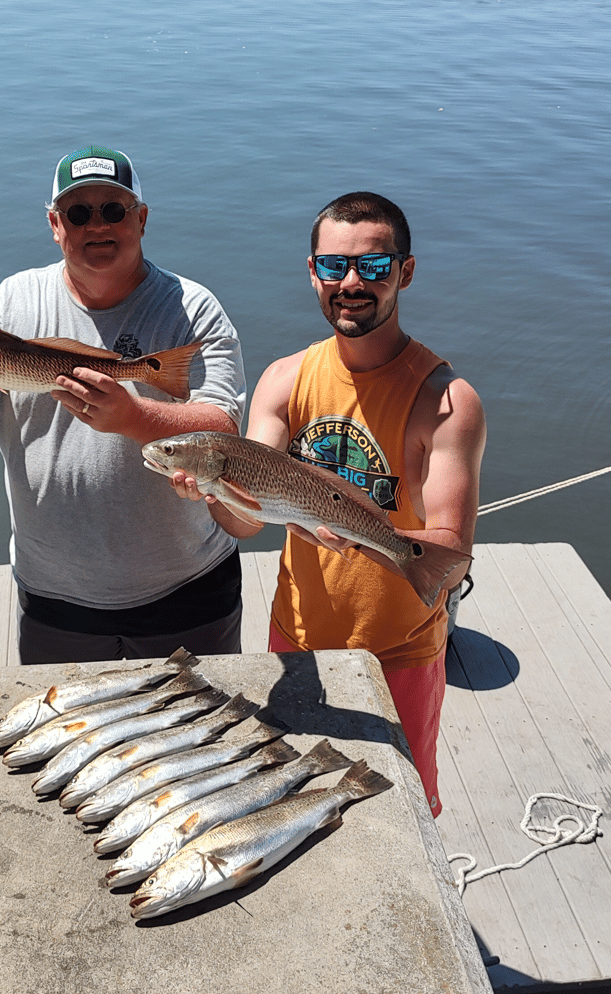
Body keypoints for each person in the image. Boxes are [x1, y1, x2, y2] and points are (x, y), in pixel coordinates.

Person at [170, 192, 486, 816]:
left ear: (406, 271)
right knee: (287, 793)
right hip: (298, 636)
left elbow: (451, 545)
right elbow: (243, 520)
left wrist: (380, 534)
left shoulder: (446, 399)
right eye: (332, 266)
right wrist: (211, 489)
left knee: (403, 812)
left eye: (372, 267)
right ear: (311, 270)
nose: (350, 283)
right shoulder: (285, 379)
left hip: (400, 648)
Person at [0, 145, 246, 663]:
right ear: (55, 223)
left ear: (141, 218)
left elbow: (224, 432)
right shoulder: (10, 303)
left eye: (114, 210)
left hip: (187, 591)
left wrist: (134, 418)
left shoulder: (193, 309)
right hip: (55, 598)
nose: (98, 225)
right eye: (78, 213)